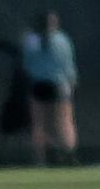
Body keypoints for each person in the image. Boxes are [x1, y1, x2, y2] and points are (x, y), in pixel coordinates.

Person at [21, 10, 79, 166]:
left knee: (39, 123)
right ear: (54, 23)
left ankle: (40, 159)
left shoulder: (30, 40)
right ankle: (69, 156)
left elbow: (26, 65)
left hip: (38, 84)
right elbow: (69, 66)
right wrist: (72, 83)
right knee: (65, 121)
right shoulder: (63, 40)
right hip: (59, 85)